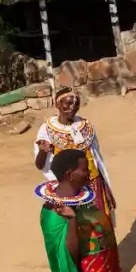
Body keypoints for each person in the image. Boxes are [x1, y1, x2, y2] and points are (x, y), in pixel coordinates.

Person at [34, 87, 115, 219]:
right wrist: (43, 150)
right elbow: (39, 165)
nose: (73, 107)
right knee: (76, 228)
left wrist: (106, 187)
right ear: (57, 104)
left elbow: (96, 159)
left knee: (100, 226)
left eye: (76, 103)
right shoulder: (47, 130)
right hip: (70, 189)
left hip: (94, 184)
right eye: (68, 103)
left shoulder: (86, 126)